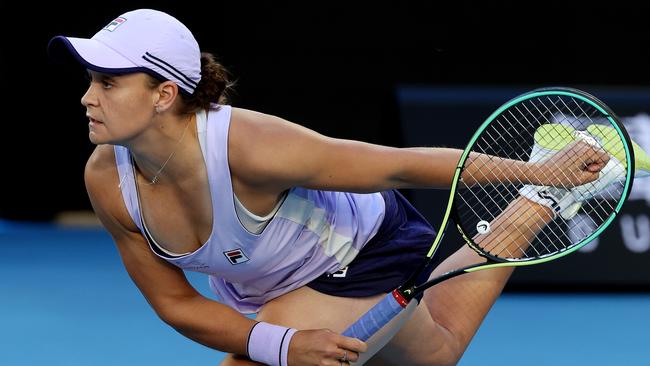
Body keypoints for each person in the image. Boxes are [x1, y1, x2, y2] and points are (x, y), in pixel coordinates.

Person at [47, 9, 624, 366]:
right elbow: (174, 304)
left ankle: (542, 186)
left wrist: (534, 166)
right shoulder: (107, 180)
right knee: (438, 353)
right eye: (89, 81)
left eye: (107, 81)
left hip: (360, 254)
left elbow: (396, 166)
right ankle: (540, 206)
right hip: (263, 288)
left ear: (164, 93)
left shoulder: (247, 147)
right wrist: (284, 345)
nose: (87, 97)